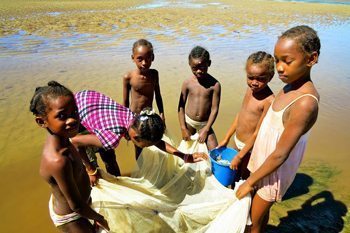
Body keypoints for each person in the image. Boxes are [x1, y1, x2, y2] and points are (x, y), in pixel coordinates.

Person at [236, 25, 321, 233]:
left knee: (250, 223)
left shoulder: (305, 103)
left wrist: (250, 182)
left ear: (311, 59)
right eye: (277, 60)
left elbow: (281, 153)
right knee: (259, 216)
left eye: (287, 61)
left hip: (273, 172)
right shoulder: (288, 86)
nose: (280, 68)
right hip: (262, 164)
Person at [71, 90, 208, 185]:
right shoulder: (112, 139)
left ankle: (116, 183)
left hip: (88, 101)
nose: (148, 147)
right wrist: (90, 169)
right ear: (135, 137)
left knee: (109, 157)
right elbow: (75, 142)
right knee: (91, 171)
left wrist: (184, 156)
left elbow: (156, 142)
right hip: (75, 114)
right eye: (146, 145)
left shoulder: (136, 119)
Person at [30, 81, 109, 233]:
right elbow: (77, 206)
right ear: (42, 122)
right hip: (72, 217)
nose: (72, 120)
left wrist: (90, 170)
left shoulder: (64, 139)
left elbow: (78, 149)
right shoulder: (59, 161)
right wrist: (99, 218)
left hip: (80, 206)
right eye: (62, 116)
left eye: (74, 113)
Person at [217, 51, 275, 181]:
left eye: (260, 79)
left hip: (250, 148)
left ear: (270, 77)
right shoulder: (250, 90)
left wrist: (240, 156)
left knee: (243, 176)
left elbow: (257, 134)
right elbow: (240, 115)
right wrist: (227, 138)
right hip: (237, 141)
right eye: (250, 77)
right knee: (231, 173)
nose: (254, 82)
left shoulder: (269, 101)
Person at [122, 39, 165, 160]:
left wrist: (162, 114)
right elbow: (125, 102)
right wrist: (125, 123)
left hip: (150, 115)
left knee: (154, 141)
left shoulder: (154, 74)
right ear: (133, 58)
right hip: (135, 118)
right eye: (140, 59)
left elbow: (158, 95)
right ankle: (141, 170)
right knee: (139, 146)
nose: (144, 63)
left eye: (148, 58)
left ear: (153, 57)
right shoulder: (128, 77)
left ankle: (152, 167)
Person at [178, 46, 221, 150]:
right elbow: (181, 107)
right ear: (190, 65)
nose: (198, 71)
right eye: (194, 68)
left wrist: (206, 129)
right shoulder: (187, 83)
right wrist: (183, 128)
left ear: (209, 63)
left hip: (205, 124)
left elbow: (214, 109)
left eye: (202, 67)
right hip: (189, 122)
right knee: (186, 151)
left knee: (215, 153)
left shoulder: (215, 85)